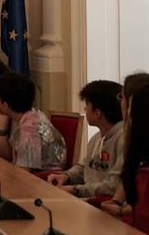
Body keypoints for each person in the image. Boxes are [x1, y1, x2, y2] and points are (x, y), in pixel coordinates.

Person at [47, 80, 124, 198]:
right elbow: (85, 167)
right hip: (89, 199)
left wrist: (76, 190)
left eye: (87, 105)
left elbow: (113, 186)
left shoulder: (124, 140)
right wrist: (66, 176)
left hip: (103, 205)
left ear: (97, 113)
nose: (84, 108)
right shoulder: (96, 138)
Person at [0, 72, 66, 171]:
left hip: (43, 180)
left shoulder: (30, 129)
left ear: (5, 105)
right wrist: (2, 125)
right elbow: (6, 156)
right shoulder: (26, 114)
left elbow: (24, 172)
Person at [100, 73, 149, 220]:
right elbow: (129, 173)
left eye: (122, 98)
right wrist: (116, 201)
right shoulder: (133, 138)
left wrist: (121, 211)